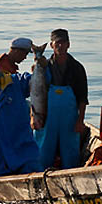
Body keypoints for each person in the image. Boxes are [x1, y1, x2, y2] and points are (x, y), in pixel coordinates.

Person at [33, 28, 88, 169]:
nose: (60, 46)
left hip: (69, 119)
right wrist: (33, 116)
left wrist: (80, 120)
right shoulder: (44, 67)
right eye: (57, 43)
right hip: (46, 115)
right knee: (42, 150)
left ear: (68, 44)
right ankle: (40, 176)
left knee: (70, 152)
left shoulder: (77, 68)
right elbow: (35, 94)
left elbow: (82, 98)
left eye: (63, 43)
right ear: (51, 45)